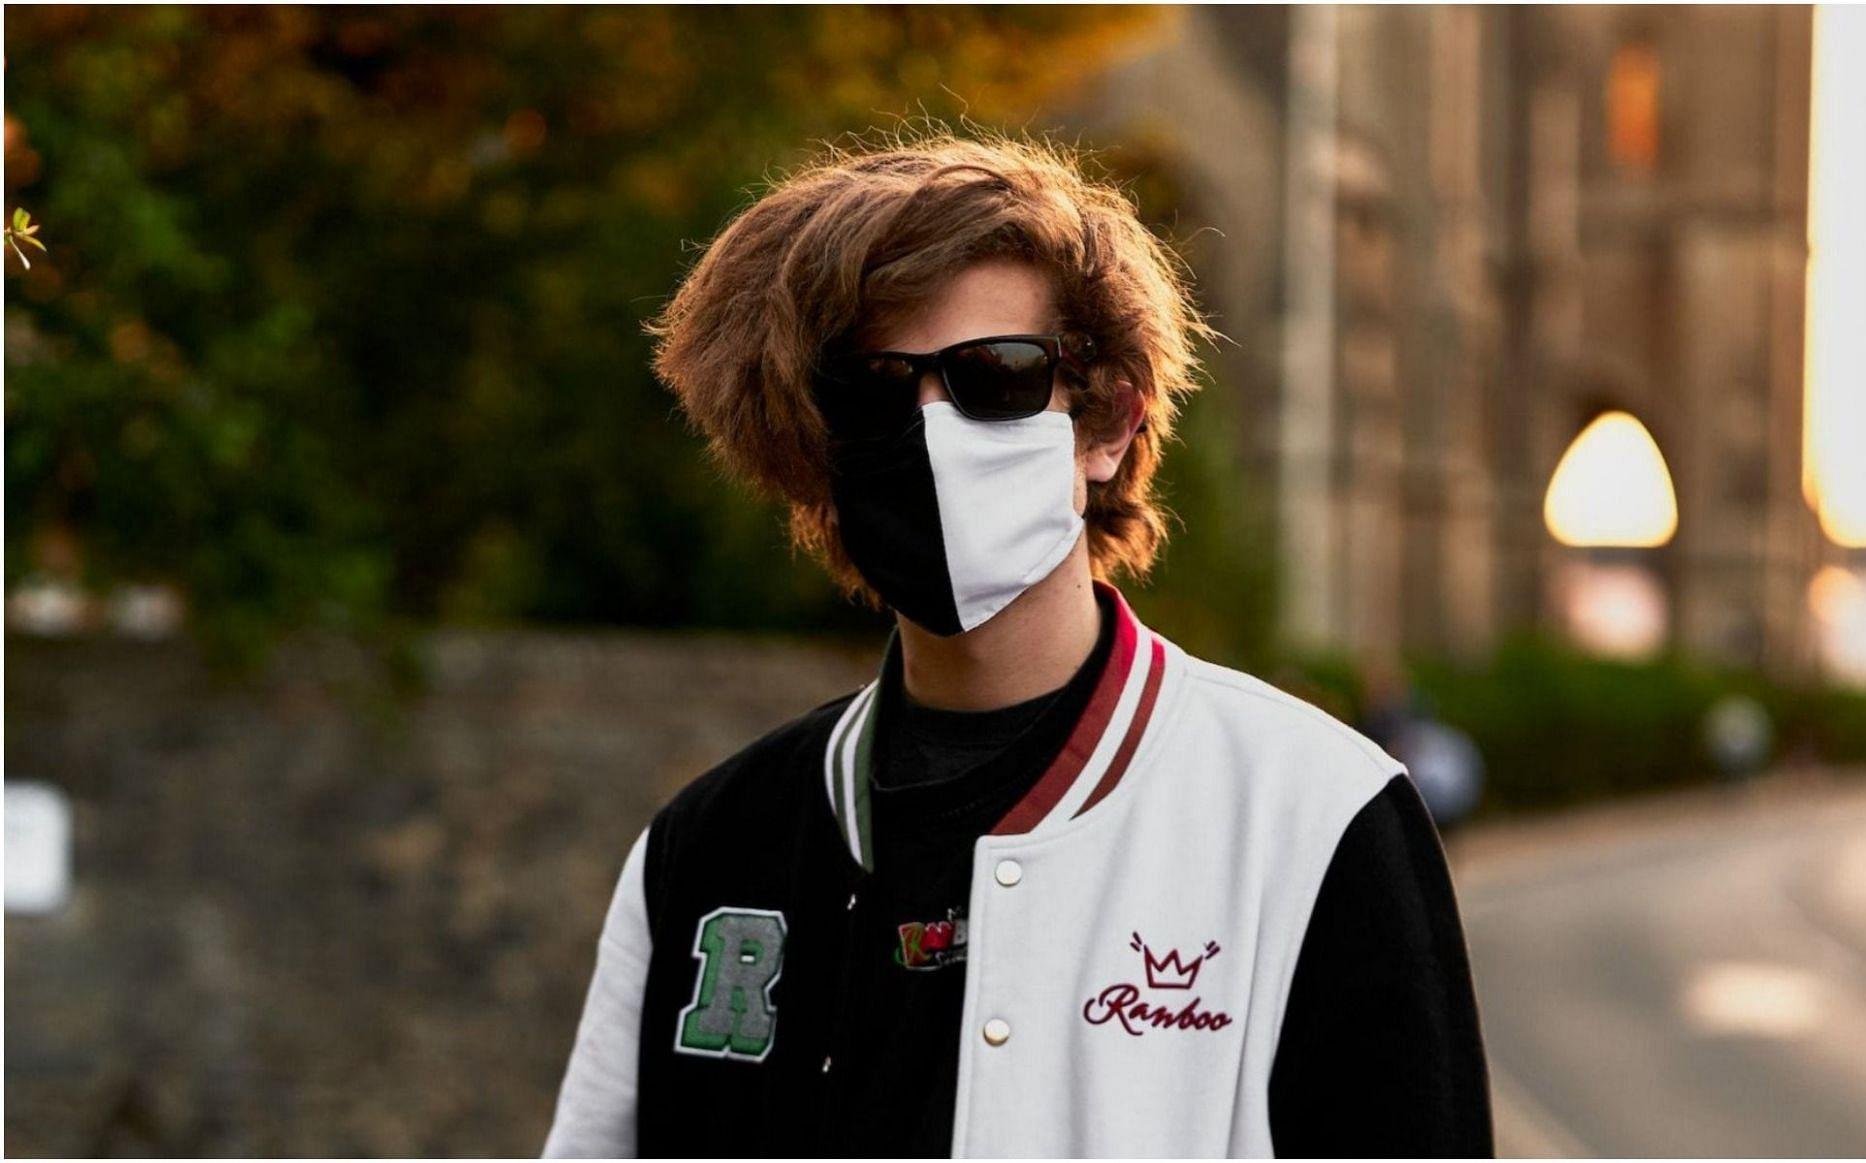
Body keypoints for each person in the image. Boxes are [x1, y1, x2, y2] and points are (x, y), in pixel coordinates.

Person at [541, 130, 1493, 1159]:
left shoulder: (1310, 816)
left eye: (995, 375)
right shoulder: (709, 845)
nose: (931, 428)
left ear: (1109, 424)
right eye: (873, 389)